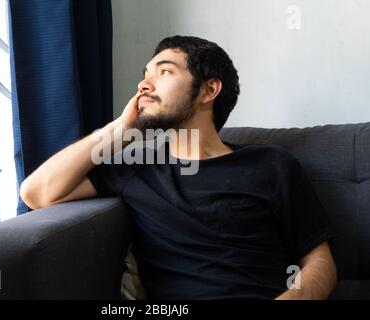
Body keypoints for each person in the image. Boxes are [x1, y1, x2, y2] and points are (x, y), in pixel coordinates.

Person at [20, 35, 337, 300]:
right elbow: (36, 193)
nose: (145, 83)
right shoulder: (138, 167)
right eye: (146, 73)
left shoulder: (271, 164)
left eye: (164, 72)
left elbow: (318, 259)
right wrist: (120, 128)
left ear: (208, 91)